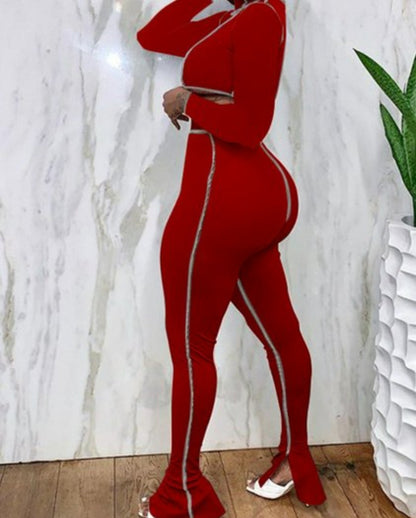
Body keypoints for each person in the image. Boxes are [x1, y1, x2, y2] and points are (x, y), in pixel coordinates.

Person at [136, 0, 327, 516]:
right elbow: (154, 36)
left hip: (222, 195)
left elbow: (251, 124)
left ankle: (182, 494)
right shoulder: (235, 19)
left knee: (192, 348)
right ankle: (294, 462)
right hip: (249, 198)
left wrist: (187, 101)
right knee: (281, 336)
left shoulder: (262, 16)